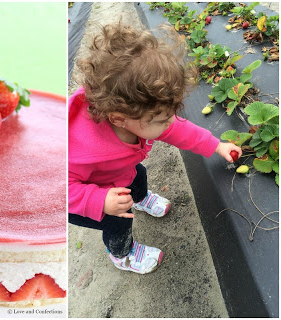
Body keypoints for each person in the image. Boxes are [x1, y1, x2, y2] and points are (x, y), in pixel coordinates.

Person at [68, 22, 242, 274]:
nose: (170, 123)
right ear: (118, 119)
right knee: (118, 220)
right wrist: (98, 199)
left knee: (138, 175)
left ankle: (139, 198)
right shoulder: (79, 150)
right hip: (83, 194)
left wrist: (216, 145)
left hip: (119, 173)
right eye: (161, 120)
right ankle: (122, 254)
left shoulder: (136, 115)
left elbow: (179, 130)